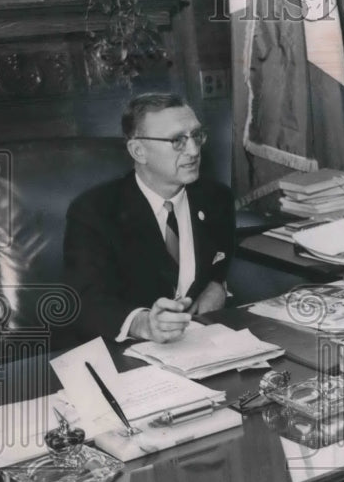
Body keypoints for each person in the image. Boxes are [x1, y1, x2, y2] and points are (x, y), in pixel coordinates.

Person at [63, 93, 235, 344]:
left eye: (196, 135)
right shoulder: (95, 211)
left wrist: (218, 285)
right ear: (138, 151)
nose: (194, 150)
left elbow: (220, 259)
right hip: (127, 351)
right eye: (177, 140)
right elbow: (85, 300)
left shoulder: (216, 199)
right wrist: (142, 324)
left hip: (198, 344)